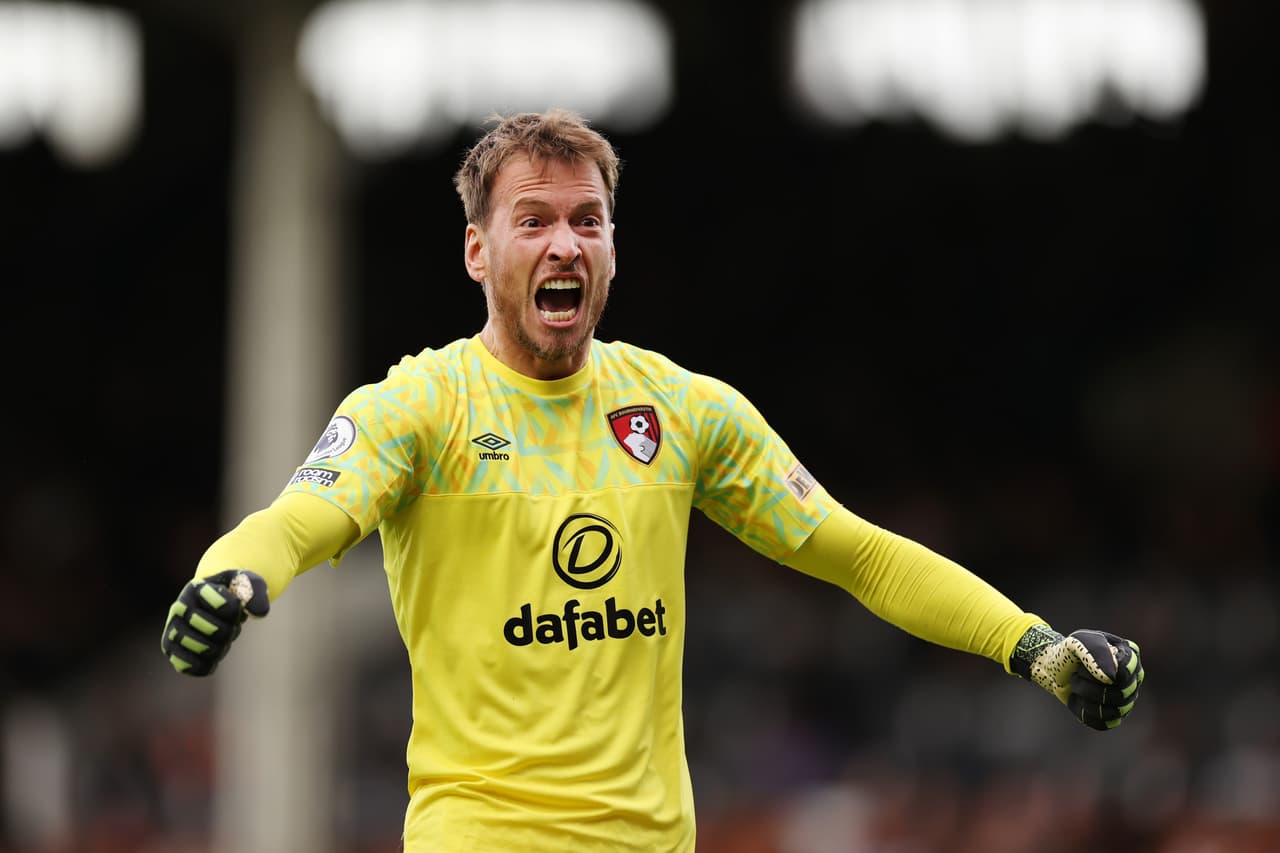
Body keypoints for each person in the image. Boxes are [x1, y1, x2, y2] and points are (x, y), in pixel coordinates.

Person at [160, 108, 1145, 851]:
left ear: (611, 247)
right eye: (533, 219)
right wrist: (228, 578)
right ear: (477, 250)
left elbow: (855, 553)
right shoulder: (417, 408)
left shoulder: (679, 410)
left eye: (587, 221)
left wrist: (1037, 648)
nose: (563, 244)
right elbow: (298, 519)